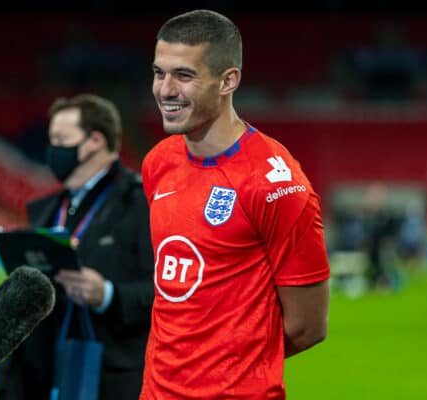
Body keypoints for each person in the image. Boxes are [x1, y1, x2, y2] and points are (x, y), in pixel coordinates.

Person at [140, 10, 330, 399]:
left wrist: (229, 372)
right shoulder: (158, 163)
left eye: (184, 75)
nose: (165, 89)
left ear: (228, 81)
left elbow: (308, 327)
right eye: (160, 73)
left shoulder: (276, 185)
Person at [0, 94, 154, 400]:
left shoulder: (141, 203)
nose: (52, 149)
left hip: (110, 379)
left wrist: (108, 294)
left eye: (61, 139)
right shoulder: (46, 210)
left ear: (95, 140)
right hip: (41, 376)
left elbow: (168, 292)